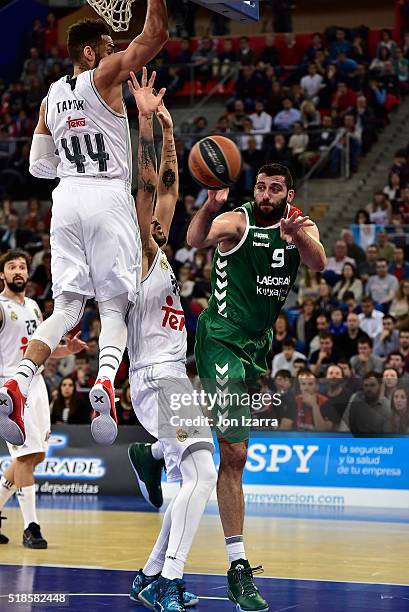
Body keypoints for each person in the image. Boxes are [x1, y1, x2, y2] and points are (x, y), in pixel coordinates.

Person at [0, 3, 169, 448]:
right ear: (91, 53)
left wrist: (69, 159)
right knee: (115, 308)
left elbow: (38, 166)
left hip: (66, 197)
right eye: (110, 46)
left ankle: (16, 382)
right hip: (107, 194)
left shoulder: (49, 97)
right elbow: (154, 38)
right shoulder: (103, 76)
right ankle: (108, 382)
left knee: (66, 309)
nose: (117, 52)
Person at [187, 162, 326, 611]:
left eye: (275, 188)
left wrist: (297, 235)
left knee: (233, 454)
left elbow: (319, 262)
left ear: (288, 193)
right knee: (235, 453)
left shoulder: (300, 224)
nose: (266, 193)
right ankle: (238, 565)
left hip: (255, 347)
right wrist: (210, 208)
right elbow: (194, 239)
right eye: (262, 186)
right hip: (221, 337)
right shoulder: (238, 221)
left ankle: (147, 455)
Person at [124, 74, 216, 612]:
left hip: (165, 378)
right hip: (158, 378)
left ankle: (150, 573)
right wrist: (141, 121)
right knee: (202, 472)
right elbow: (145, 184)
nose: (160, 219)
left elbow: (170, 184)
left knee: (187, 478)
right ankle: (169, 581)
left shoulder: (157, 249)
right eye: (150, 215)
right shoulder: (133, 253)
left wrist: (168, 127)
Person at [0, 249, 86, 548]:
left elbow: (42, 348)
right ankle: (31, 527)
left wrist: (67, 350)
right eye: (12, 267)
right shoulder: (0, 306)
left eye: (22, 266)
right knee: (25, 456)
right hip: (11, 384)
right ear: (3, 274)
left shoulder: (35, 307)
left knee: (35, 456)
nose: (18, 271)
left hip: (36, 385)